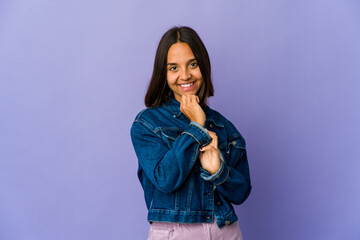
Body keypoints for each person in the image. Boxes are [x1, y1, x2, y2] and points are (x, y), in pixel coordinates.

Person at [130, 26, 251, 240]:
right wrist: (196, 126)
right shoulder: (147, 124)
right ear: (163, 73)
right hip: (175, 232)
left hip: (225, 229)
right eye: (173, 68)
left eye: (193, 64)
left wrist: (218, 171)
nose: (185, 75)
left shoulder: (224, 126)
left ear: (203, 66)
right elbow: (165, 180)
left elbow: (241, 193)